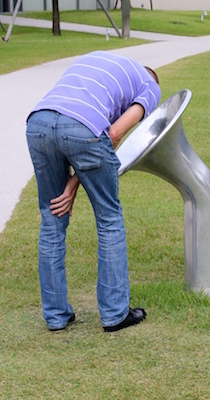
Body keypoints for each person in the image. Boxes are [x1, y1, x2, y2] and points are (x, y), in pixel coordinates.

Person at [25, 51, 161, 333]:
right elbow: (114, 133)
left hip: (38, 123)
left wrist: (74, 180)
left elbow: (65, 119)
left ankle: (56, 317)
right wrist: (77, 180)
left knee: (52, 218)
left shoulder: (101, 60)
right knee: (109, 219)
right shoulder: (150, 86)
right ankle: (115, 314)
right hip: (82, 128)